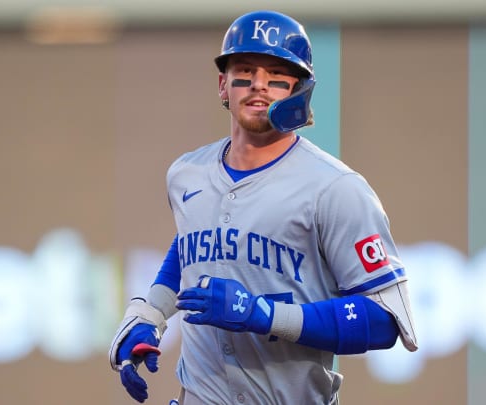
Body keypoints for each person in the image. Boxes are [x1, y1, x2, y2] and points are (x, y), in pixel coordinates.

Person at [109, 9, 418, 405]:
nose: (258, 85)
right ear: (224, 85)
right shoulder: (187, 172)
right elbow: (192, 244)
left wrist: (265, 315)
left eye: (276, 76)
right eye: (246, 71)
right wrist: (150, 315)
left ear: (298, 90)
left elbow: (384, 321)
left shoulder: (336, 188)